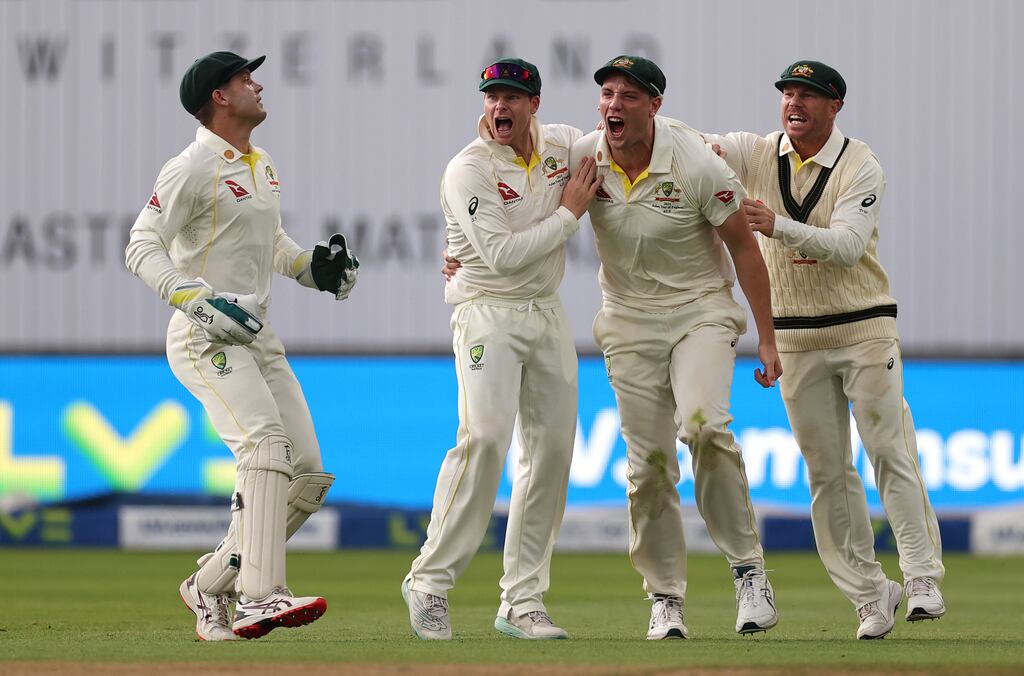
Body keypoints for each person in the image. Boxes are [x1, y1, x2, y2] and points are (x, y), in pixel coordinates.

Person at [703, 60, 945, 640]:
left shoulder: (860, 164)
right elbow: (695, 148)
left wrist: (777, 226)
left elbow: (846, 245)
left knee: (889, 449)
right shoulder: (756, 151)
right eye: (788, 93)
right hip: (796, 337)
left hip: (864, 328)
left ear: (835, 106)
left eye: (808, 95)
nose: (795, 103)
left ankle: (921, 576)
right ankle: (868, 594)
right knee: (826, 473)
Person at [125, 51, 359, 640]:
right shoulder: (190, 166)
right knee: (264, 450)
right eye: (244, 79)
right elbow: (140, 245)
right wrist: (191, 297)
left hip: (257, 337)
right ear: (219, 98)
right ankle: (259, 596)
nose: (257, 85)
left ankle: (208, 586)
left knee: (305, 476)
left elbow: (272, 245)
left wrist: (315, 268)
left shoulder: (260, 163)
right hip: (205, 337)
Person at [570, 56, 783, 640]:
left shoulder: (693, 160)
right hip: (628, 322)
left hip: (701, 312)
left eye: (629, 96)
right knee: (649, 467)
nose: (614, 105)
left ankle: (748, 572)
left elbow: (743, 248)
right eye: (607, 94)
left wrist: (767, 337)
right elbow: (524, 199)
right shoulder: (583, 157)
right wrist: (463, 255)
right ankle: (665, 598)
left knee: (704, 429)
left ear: (655, 106)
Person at [401, 58, 603, 641]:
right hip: (487, 310)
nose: (500, 107)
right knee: (485, 439)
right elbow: (503, 257)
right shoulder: (468, 169)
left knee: (551, 454)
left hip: (546, 313)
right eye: (492, 96)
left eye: (513, 97)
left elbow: (629, 141)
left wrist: (710, 150)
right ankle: (429, 582)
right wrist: (570, 213)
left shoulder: (563, 145)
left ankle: (523, 601)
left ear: (533, 104)